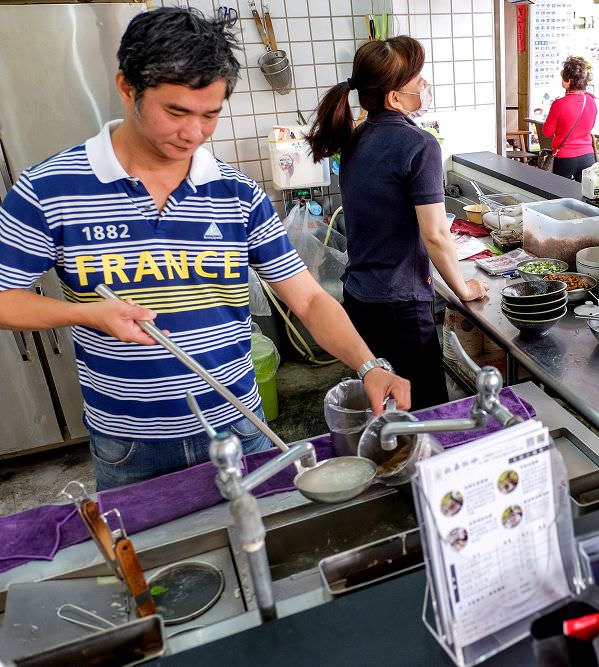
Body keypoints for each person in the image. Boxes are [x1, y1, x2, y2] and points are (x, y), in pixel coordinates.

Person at [0, 8, 410, 490]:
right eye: (176, 112)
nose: (194, 133)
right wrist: (87, 315)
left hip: (241, 425)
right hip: (131, 443)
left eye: (210, 114)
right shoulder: (50, 190)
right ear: (127, 88)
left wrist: (369, 365)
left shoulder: (238, 195)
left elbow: (309, 298)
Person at [306, 36, 489, 411]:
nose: (425, 86)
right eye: (419, 80)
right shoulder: (420, 145)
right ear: (393, 97)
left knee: (384, 407)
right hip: (400, 308)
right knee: (426, 411)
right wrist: (462, 290)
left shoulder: (355, 138)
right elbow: (436, 234)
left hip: (359, 298)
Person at [542, 56, 598, 182]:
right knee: (583, 197)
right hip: (587, 157)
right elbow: (590, 126)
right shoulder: (591, 101)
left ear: (568, 81)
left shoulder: (559, 104)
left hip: (564, 158)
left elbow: (547, 132)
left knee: (559, 196)